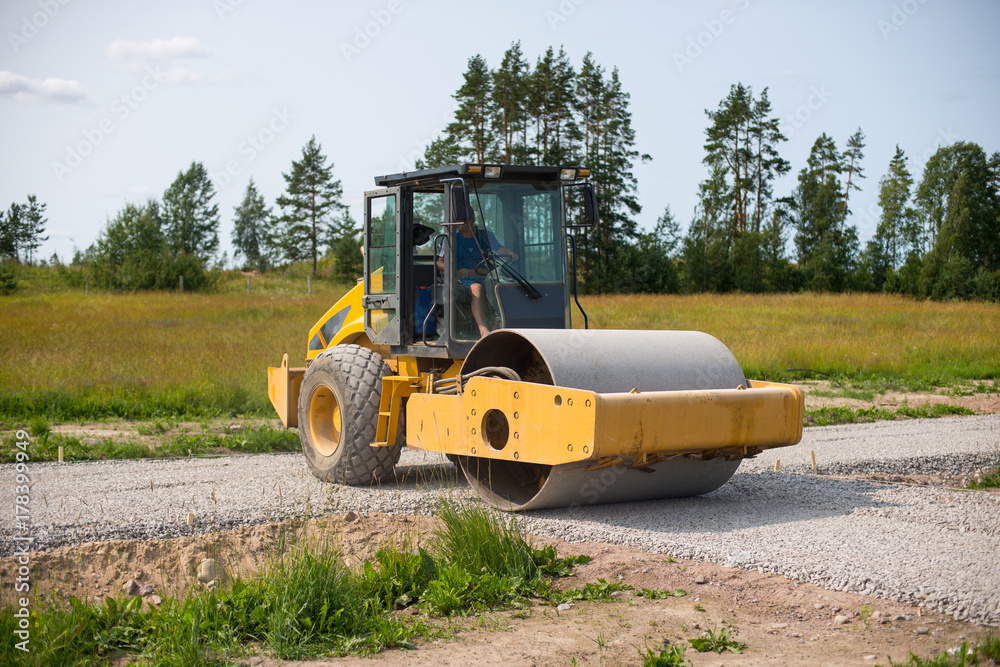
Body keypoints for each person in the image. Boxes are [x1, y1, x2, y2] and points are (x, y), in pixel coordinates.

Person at [437, 211, 517, 337]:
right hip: (462, 280)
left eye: (458, 220)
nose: (455, 224)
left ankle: (500, 327)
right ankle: (484, 331)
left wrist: (512, 255)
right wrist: (458, 270)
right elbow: (440, 264)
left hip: (487, 277)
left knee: (507, 287)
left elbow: (502, 252)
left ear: (470, 220)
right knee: (477, 288)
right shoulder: (451, 239)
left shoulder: (486, 235)